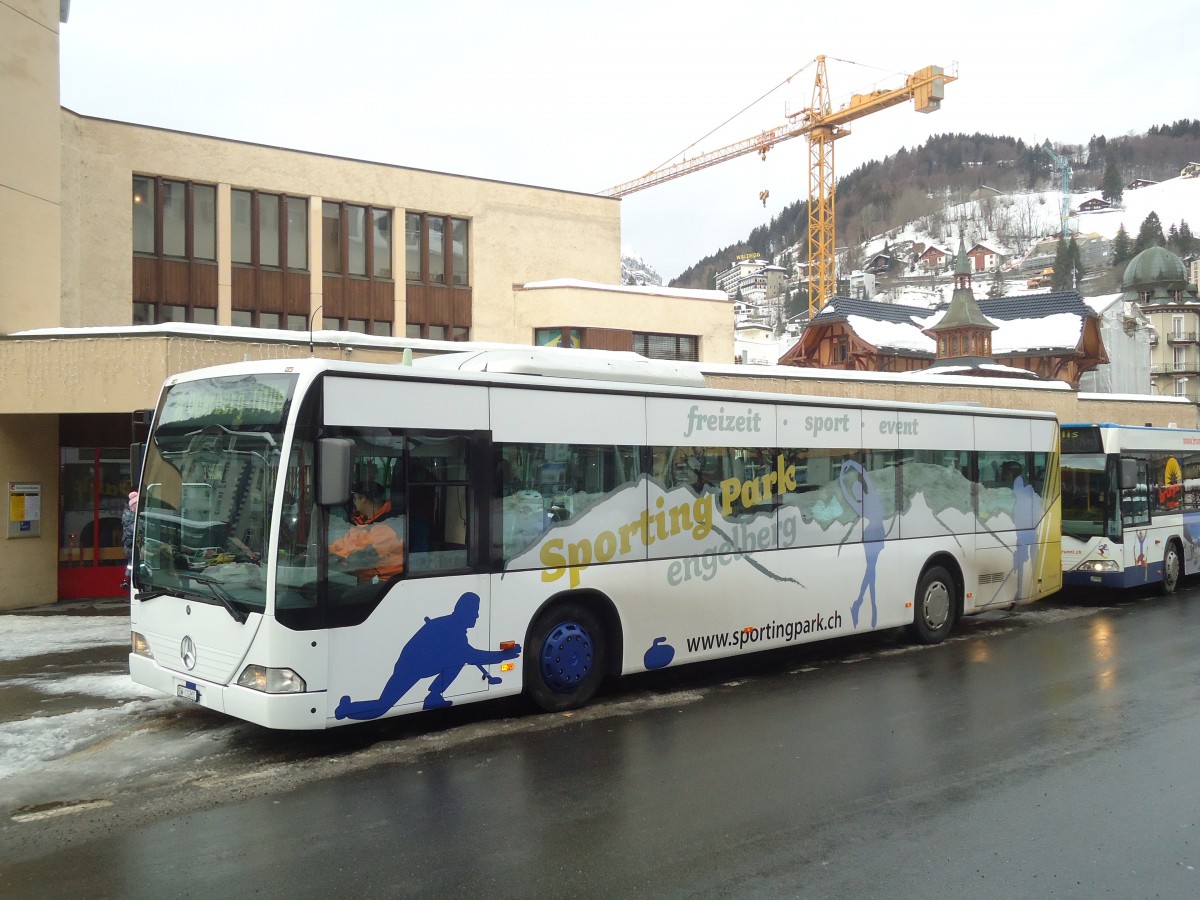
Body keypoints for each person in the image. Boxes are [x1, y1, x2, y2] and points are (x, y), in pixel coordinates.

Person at [329, 481, 405, 582]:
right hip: (366, 578)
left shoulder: (388, 527)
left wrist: (336, 560)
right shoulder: (365, 522)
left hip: (384, 582)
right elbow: (345, 543)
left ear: (363, 499)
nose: (354, 502)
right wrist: (327, 551)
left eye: (355, 498)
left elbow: (363, 558)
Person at [120, 490, 138, 589]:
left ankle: (127, 580)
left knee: (131, 563)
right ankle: (130, 580)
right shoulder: (134, 519)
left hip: (128, 546)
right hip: (132, 545)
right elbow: (135, 529)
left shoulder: (127, 517)